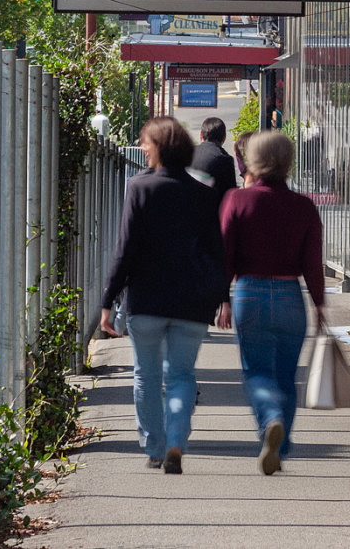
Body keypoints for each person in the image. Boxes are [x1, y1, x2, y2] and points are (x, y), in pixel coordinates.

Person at [99, 117, 228, 475]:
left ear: (158, 148)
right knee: (182, 376)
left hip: (147, 300)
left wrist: (108, 300)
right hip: (192, 302)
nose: (142, 148)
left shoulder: (140, 187)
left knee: (146, 375)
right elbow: (216, 251)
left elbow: (126, 248)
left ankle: (155, 447)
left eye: (146, 142)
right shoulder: (204, 192)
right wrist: (222, 297)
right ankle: (176, 442)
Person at [217, 131, 325, 477]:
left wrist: (222, 298)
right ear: (289, 161)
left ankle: (270, 420)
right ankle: (282, 446)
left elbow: (225, 255)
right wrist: (319, 304)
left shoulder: (237, 200)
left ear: (252, 160)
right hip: (291, 295)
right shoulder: (304, 206)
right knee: (286, 376)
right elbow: (313, 262)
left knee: (257, 371)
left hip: (250, 294)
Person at [190, 116, 238, 199]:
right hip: (211, 205)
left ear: (201, 135)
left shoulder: (189, 152)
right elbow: (229, 194)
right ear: (224, 137)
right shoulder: (225, 159)